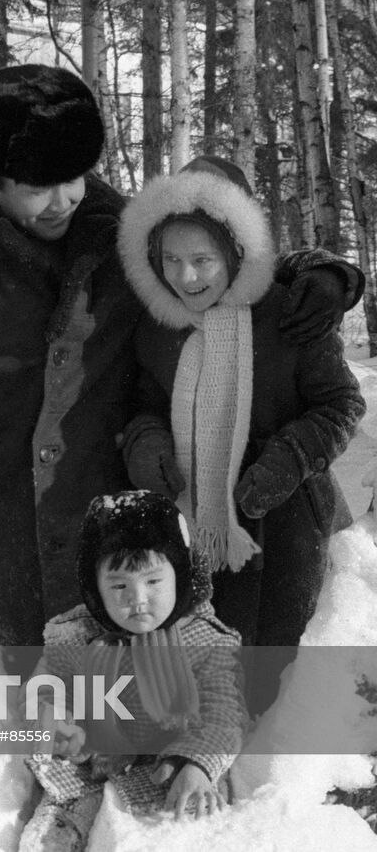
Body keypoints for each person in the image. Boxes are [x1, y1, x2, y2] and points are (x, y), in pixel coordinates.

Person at [0, 64, 361, 650]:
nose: (63, 201)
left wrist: (325, 272)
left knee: (122, 707)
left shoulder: (123, 231)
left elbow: (224, 258)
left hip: (109, 517)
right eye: (38, 187)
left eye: (74, 178)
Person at [116, 156, 362, 697]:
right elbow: (142, 406)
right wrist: (147, 443)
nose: (186, 277)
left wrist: (290, 457)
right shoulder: (158, 328)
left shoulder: (289, 313)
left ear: (236, 249)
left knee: (285, 671)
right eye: (171, 260)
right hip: (192, 513)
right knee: (205, 660)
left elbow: (341, 403)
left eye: (202, 259)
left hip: (289, 518)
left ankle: (282, 774)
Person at [20, 490, 246, 851]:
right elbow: (45, 685)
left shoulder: (205, 640)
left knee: (171, 829)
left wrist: (198, 765)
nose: (137, 599)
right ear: (94, 588)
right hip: (88, 763)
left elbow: (225, 715)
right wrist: (53, 716)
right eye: (119, 586)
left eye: (153, 582)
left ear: (180, 577)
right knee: (54, 831)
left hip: (170, 768)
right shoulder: (75, 634)